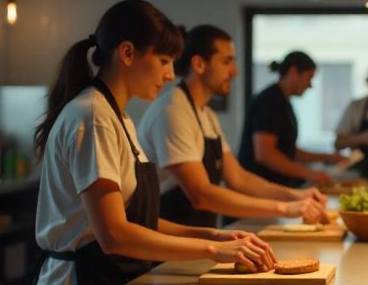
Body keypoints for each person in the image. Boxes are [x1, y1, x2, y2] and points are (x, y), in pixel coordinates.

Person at [28, 0, 275, 285]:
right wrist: (211, 249)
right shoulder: (93, 117)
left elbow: (138, 220)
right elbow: (114, 234)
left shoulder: (118, 117)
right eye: (163, 61)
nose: (171, 74)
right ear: (127, 53)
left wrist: (214, 235)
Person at [138, 25, 329, 228]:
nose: (235, 72)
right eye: (227, 61)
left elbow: (239, 178)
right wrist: (284, 208)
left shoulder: (207, 115)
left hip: (197, 234)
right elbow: (201, 194)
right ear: (199, 64)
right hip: (166, 239)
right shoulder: (173, 111)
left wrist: (297, 196)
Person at [238, 51, 345, 187]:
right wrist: (308, 173)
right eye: (309, 78)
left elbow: (288, 150)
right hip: (261, 187)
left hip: (276, 187)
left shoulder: (283, 102)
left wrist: (328, 157)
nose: (310, 85)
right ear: (294, 72)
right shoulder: (269, 101)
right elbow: (265, 154)